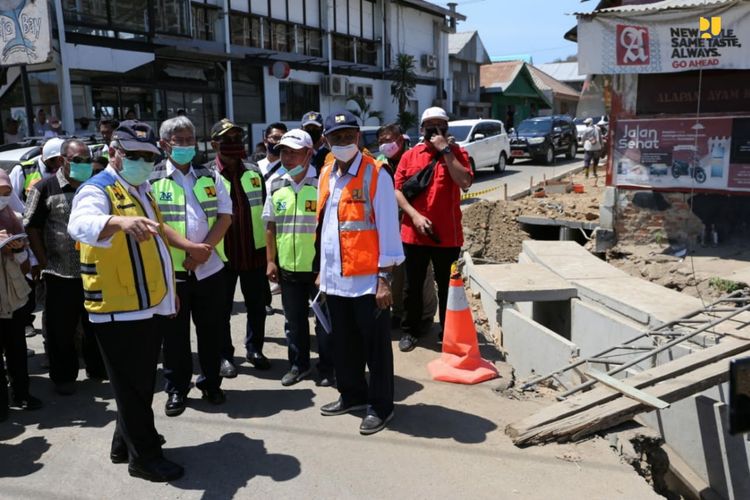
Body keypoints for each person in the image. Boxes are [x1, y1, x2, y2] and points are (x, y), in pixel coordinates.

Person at [67, 120, 183, 482]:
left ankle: (125, 444)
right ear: (114, 153)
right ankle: (145, 458)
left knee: (137, 384)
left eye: (149, 156)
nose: (142, 162)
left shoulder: (142, 189)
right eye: (134, 155)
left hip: (145, 303)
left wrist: (169, 299)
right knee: (134, 388)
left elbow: (159, 244)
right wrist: (117, 222)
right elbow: (80, 223)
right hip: (118, 309)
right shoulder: (97, 188)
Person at [317, 110, 404, 435]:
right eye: (335, 137)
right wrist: (323, 274)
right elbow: (327, 226)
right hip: (336, 280)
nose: (342, 142)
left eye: (347, 136)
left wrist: (385, 280)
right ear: (326, 141)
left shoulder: (376, 174)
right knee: (344, 344)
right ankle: (351, 394)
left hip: (369, 283)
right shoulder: (327, 173)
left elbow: (388, 231)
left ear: (358, 138)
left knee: (376, 350)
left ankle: (381, 407)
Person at [150, 116, 232, 416]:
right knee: (175, 337)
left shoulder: (209, 176)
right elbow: (155, 223)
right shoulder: (152, 179)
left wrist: (201, 252)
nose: (185, 145)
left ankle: (211, 383)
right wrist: (188, 249)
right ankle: (176, 389)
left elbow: (225, 216)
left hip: (209, 270)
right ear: (164, 144)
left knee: (211, 331)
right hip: (172, 273)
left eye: (189, 139)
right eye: (178, 140)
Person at [24, 138, 106, 395]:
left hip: (94, 269)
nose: (84, 165)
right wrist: (42, 260)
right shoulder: (45, 187)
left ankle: (98, 369)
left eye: (86, 160)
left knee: (96, 323)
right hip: (60, 272)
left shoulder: (95, 186)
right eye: (77, 161)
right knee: (61, 328)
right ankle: (63, 376)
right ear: (62, 160)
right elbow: (31, 225)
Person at [394, 106, 472, 352]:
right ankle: (410, 331)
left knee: (448, 285)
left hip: (447, 237)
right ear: (422, 130)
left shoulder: (458, 153)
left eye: (441, 126)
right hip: (413, 234)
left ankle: (448, 331)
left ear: (447, 129)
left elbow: (465, 182)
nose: (435, 131)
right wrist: (415, 216)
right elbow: (397, 190)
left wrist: (446, 150)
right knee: (412, 286)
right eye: (431, 127)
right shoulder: (410, 156)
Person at [264, 129, 334, 387]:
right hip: (288, 269)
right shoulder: (276, 184)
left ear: (308, 154)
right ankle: (299, 365)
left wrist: (324, 268)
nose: (288, 158)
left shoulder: (323, 185)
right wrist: (271, 261)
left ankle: (328, 367)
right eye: (284, 152)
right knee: (294, 322)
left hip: (318, 271)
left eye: (294, 153)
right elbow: (270, 226)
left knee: (325, 324)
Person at [205, 119, 270, 377]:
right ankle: (224, 355)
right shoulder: (206, 174)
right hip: (222, 255)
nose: (234, 144)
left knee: (257, 305)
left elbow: (266, 211)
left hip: (254, 252)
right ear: (214, 144)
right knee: (221, 310)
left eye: (237, 139)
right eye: (227, 140)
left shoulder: (254, 172)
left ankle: (255, 348)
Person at [375, 123, 438, 333]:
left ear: (400, 140)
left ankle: (427, 314)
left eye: (389, 140)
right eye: (381, 141)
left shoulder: (413, 158)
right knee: (396, 272)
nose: (385, 145)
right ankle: (398, 312)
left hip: (414, 223)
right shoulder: (380, 164)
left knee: (422, 274)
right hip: (390, 225)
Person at [0, 170, 43, 422]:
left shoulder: (12, 217)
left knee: (16, 347)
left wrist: (18, 250)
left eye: (7, 193)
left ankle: (22, 393)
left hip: (14, 292)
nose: (3, 198)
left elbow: (25, 260)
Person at [257, 123, 288, 305]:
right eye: (274, 138)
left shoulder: (291, 168)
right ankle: (265, 302)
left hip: (277, 226)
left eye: (282, 139)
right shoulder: (254, 167)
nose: (277, 142)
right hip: (258, 226)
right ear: (265, 140)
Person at [9, 137, 66, 203]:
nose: (59, 163)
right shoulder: (23, 170)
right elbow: (11, 200)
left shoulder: (67, 169)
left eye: (62, 160)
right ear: (43, 153)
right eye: (55, 159)